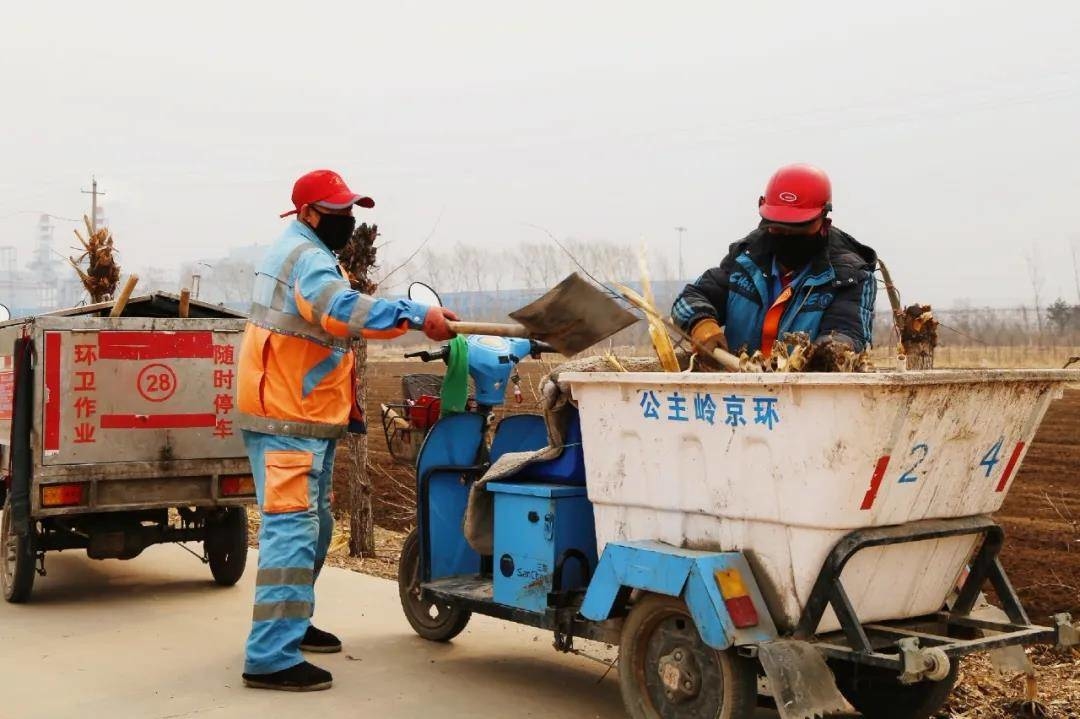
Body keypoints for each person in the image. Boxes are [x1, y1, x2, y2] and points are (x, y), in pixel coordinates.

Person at [237, 169, 458, 691]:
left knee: (312, 529)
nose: (349, 221)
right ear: (309, 213)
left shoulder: (308, 250)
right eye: (338, 212)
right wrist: (415, 313)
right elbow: (339, 309)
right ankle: (270, 656)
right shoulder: (307, 258)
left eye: (351, 210)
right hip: (286, 415)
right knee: (292, 533)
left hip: (303, 413)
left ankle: (290, 624)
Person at [672, 163, 877, 361]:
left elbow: (847, 335)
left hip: (803, 393)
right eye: (778, 227)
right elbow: (688, 299)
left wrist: (822, 357)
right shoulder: (744, 261)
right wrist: (701, 323)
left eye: (797, 228)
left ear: (824, 221)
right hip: (737, 391)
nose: (786, 235)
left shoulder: (850, 277)